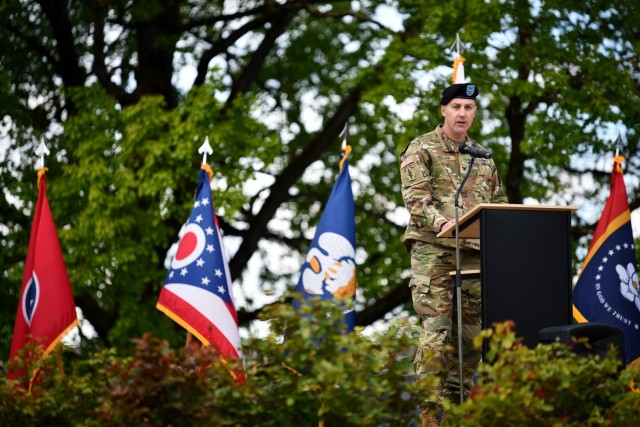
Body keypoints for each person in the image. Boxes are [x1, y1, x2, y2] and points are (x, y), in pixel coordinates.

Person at [398, 83, 508, 426]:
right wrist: (441, 221)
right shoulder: (422, 148)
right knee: (438, 330)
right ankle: (429, 413)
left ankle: (454, 412)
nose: (463, 113)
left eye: (469, 108)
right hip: (434, 249)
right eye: (457, 106)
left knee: (473, 337)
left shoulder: (483, 157)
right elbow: (417, 200)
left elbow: (498, 204)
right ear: (443, 110)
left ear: (475, 114)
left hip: (474, 254)